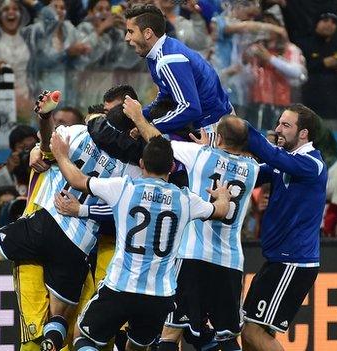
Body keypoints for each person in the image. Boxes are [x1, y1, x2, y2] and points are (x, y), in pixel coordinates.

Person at [0, 91, 142, 351]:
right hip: (78, 245)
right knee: (58, 321)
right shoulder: (131, 169)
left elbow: (46, 147)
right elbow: (129, 208)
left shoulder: (78, 133)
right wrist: (82, 211)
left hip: (42, 223)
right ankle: (49, 341)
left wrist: (45, 120)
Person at [48, 131, 232, 351]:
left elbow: (77, 180)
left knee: (83, 338)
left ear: (142, 163)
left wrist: (61, 156)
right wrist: (223, 196)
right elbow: (220, 211)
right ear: (172, 167)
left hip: (120, 287)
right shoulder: (186, 199)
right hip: (159, 296)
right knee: (136, 348)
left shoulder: (124, 187)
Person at [120, 97, 260, 351]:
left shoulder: (199, 155)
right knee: (227, 336)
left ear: (218, 138)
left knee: (171, 332)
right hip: (229, 261)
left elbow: (158, 143)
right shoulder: (253, 169)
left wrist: (139, 118)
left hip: (193, 257)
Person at [240, 104, 326, 351]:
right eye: (279, 123)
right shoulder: (287, 161)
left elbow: (275, 157)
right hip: (278, 259)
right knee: (248, 329)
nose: (278, 129)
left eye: (286, 125)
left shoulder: (311, 163)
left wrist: (244, 131)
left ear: (304, 134)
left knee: (254, 331)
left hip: (294, 262)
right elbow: (252, 175)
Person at [123, 4, 232, 136]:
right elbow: (166, 97)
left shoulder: (167, 60)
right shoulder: (158, 51)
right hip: (214, 120)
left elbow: (190, 108)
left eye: (130, 31)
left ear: (147, 33)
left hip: (214, 127)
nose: (127, 38)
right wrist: (140, 116)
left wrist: (148, 126)